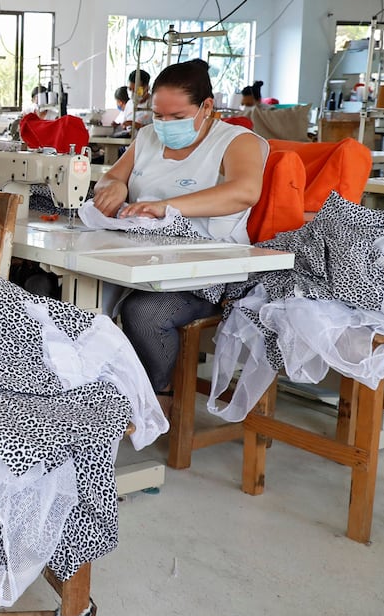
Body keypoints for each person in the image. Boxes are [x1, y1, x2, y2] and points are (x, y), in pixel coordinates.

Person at [92, 59, 266, 416]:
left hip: (209, 269)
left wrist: (165, 207)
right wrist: (114, 186)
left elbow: (245, 192)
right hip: (140, 255)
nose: (165, 125)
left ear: (206, 106)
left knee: (144, 311)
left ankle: (157, 399)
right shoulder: (147, 136)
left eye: (177, 116)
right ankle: (92, 391)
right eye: (159, 114)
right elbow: (110, 178)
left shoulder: (237, 142)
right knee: (72, 292)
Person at [114, 68, 152, 133]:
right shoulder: (129, 104)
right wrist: (119, 126)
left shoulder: (154, 103)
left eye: (136, 90)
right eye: (131, 89)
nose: (133, 93)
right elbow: (126, 126)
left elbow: (157, 129)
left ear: (146, 87)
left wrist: (138, 125)